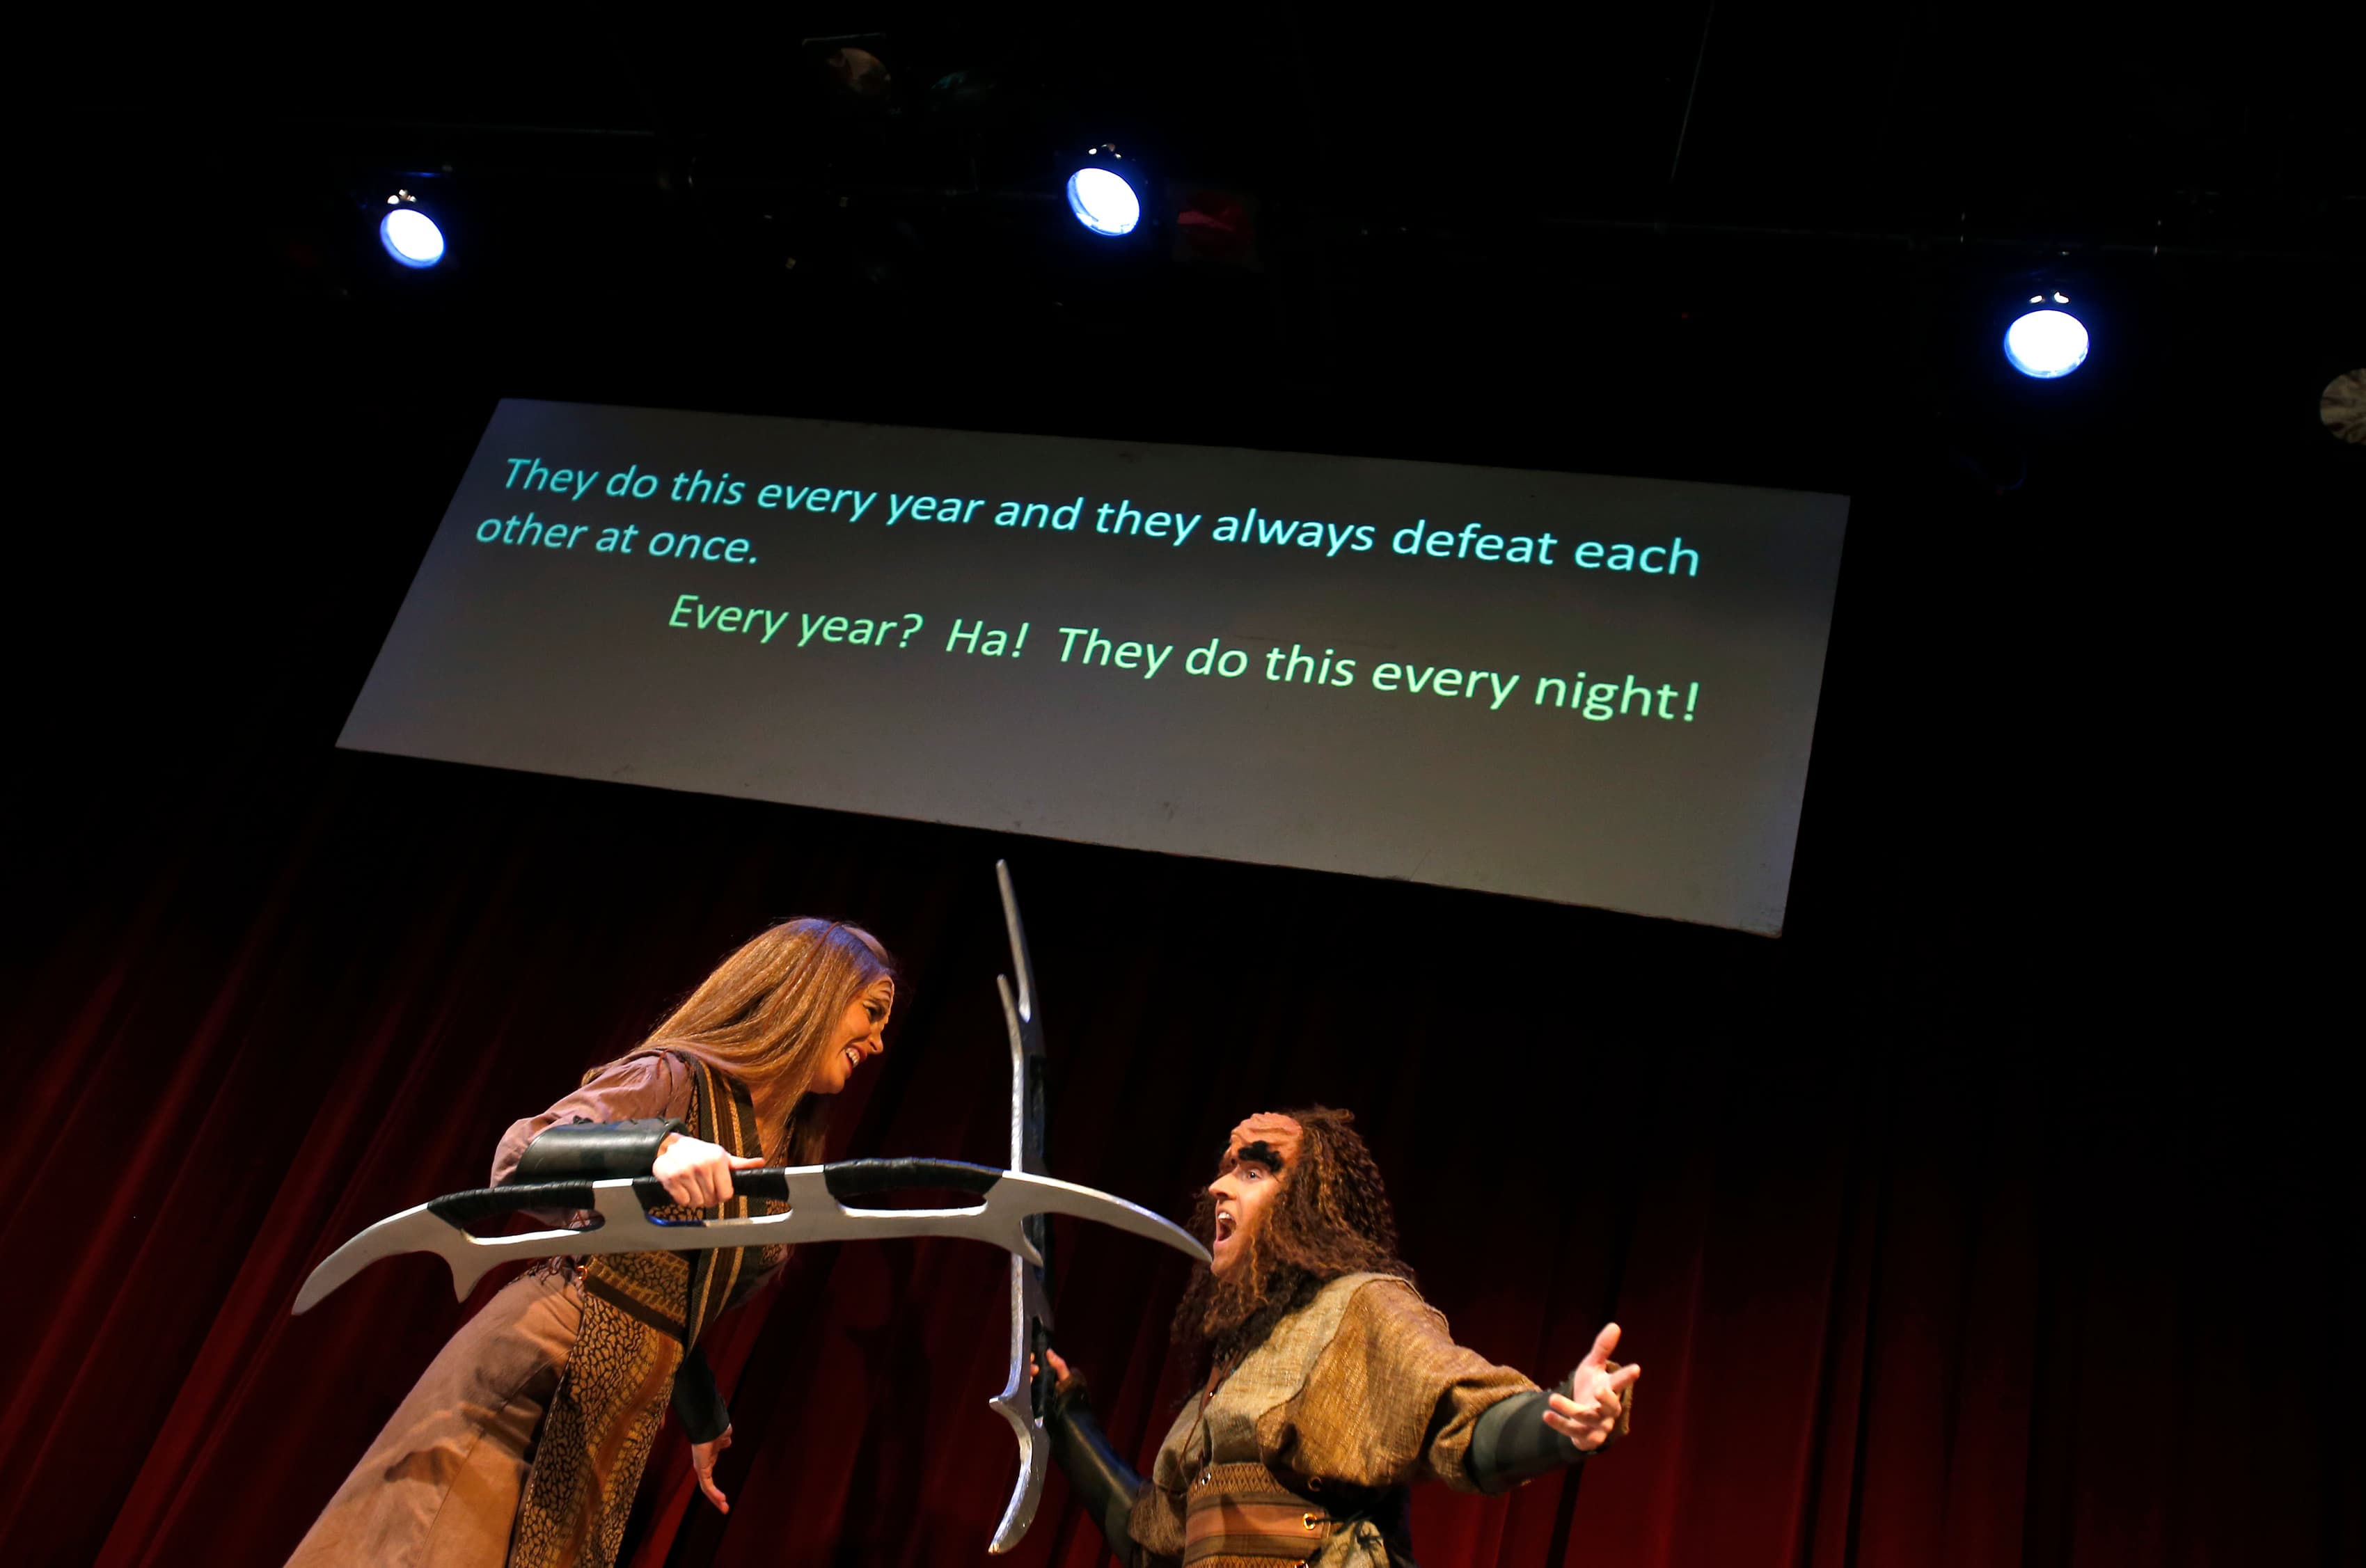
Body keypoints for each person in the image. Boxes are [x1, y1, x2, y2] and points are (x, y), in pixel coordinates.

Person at [287, 917, 897, 1568]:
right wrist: (655, 1147)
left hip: (607, 1423)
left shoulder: (779, 1150)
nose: (879, 1041)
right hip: (539, 1368)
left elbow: (669, 1288)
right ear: (811, 994)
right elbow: (520, 1156)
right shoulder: (674, 1077)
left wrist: (703, 1411)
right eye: (871, 1011)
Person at [1040, 1108, 1638, 1567]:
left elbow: (1460, 1418)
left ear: (1307, 1204)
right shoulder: (1231, 1370)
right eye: (1225, 1168)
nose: (1219, 1186)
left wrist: (1561, 1417)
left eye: (1253, 1171)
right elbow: (1151, 1543)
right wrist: (1066, 1416)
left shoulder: (1358, 1305)